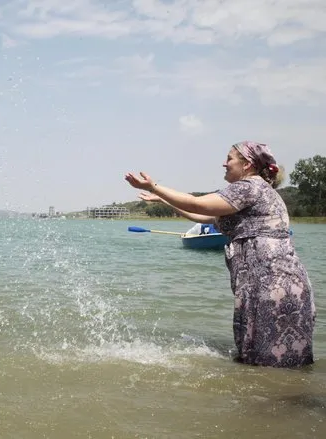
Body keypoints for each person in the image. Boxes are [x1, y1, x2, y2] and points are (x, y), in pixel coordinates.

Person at [124, 141, 315, 368]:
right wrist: (164, 199)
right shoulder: (260, 190)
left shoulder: (248, 187)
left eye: (230, 158)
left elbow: (197, 203)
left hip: (270, 284)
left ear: (247, 165)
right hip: (281, 283)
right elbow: (201, 215)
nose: (224, 164)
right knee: (282, 366)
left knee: (266, 364)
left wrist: (154, 186)